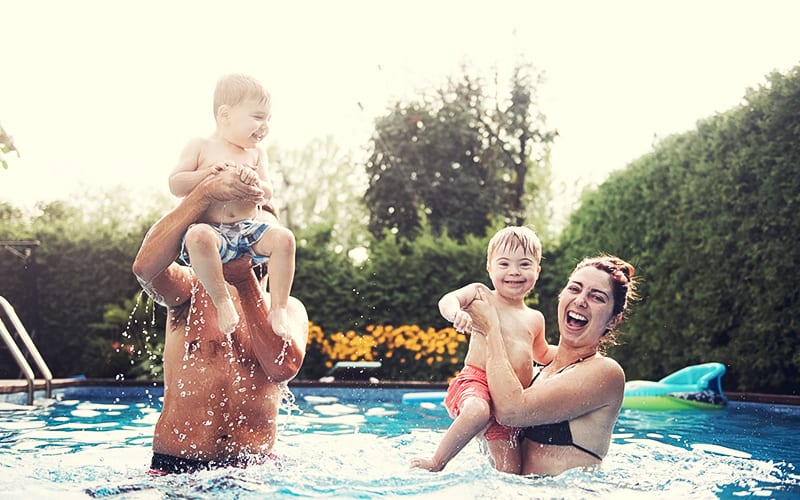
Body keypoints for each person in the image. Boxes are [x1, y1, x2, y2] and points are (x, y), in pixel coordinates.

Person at [132, 168, 309, 474]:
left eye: (253, 225)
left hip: (254, 471)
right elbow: (144, 268)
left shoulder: (289, 310)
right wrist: (203, 195)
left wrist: (245, 281)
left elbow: (282, 368)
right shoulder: (189, 290)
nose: (243, 234)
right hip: (176, 467)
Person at [467, 255, 637, 476]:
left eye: (597, 297)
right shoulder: (538, 373)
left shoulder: (606, 373)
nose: (581, 300)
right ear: (561, 296)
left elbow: (511, 411)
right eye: (575, 289)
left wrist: (491, 328)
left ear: (613, 320)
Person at [411, 226, 555, 474]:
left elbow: (543, 354)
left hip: (509, 401)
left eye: (524, 264)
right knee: (478, 411)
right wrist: (455, 313)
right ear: (489, 267)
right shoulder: (481, 296)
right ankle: (436, 461)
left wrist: (577, 354)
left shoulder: (535, 318)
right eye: (504, 264)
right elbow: (448, 299)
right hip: (477, 383)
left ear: (537, 271)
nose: (514, 272)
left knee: (511, 472)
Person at [169, 73, 296, 338]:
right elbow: (176, 184)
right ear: (225, 115)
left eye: (269, 119)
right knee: (196, 235)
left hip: (249, 230)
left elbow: (268, 191)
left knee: (285, 239)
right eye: (258, 117)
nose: (266, 126)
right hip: (214, 232)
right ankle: (222, 301)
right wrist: (207, 174)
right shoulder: (201, 146)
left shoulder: (256, 153)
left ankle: (279, 308)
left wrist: (254, 184)